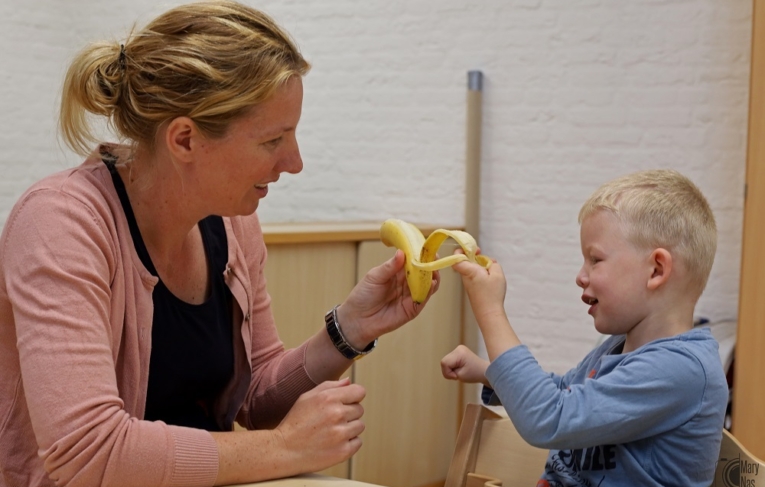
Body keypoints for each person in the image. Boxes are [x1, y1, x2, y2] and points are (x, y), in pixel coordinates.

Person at [0, 2, 440, 486]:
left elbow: (254, 401)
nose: (294, 163)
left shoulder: (233, 224)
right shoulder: (59, 222)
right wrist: (284, 447)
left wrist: (350, 329)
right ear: (184, 140)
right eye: (274, 140)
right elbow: (88, 454)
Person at [441, 169, 728, 487]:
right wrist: (486, 370)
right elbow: (566, 395)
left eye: (595, 259)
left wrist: (490, 309)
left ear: (656, 269)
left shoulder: (682, 369)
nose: (581, 275)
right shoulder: (619, 344)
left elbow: (551, 418)